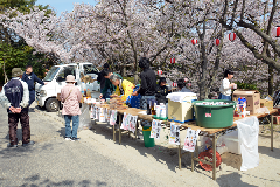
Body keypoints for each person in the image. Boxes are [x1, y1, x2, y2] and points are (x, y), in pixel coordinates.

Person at [3, 68, 32, 147]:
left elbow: (2, 98)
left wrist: (9, 106)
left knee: (12, 125)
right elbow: (26, 98)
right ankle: (25, 142)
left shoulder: (6, 85)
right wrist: (21, 106)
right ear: (20, 75)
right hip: (23, 109)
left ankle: (13, 142)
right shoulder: (23, 84)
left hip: (11, 110)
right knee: (25, 124)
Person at [60, 75, 82, 141]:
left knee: (67, 123)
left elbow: (62, 98)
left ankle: (67, 136)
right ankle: (73, 136)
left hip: (66, 107)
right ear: (73, 82)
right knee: (75, 123)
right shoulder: (76, 88)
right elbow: (79, 98)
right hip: (74, 107)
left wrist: (64, 101)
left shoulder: (63, 88)